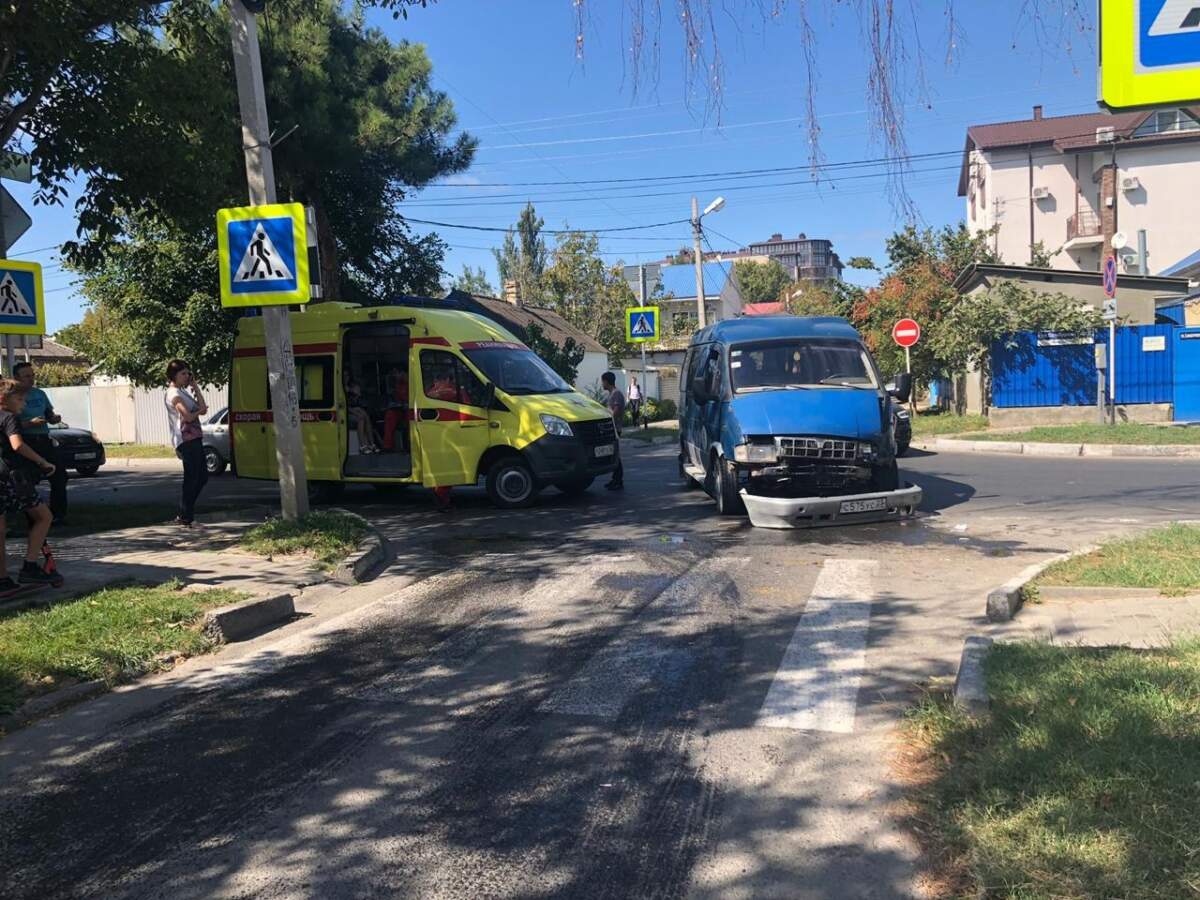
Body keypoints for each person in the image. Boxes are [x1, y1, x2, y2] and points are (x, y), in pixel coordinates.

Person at [0, 378, 63, 592]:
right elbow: (17, 445)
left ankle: (3, 580)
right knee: (44, 516)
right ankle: (29, 566)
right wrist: (42, 462)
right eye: (19, 399)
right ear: (4, 399)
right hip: (14, 478)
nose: (23, 404)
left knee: (1, 529)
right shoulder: (9, 417)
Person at [13, 362, 68, 525]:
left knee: (59, 476)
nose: (31, 379)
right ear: (17, 378)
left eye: (33, 375)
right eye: (27, 376)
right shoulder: (13, 397)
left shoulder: (40, 394)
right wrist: (30, 423)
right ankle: (33, 516)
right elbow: (10, 424)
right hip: (26, 442)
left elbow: (48, 414)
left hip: (44, 439)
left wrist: (53, 418)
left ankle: (58, 514)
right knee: (28, 480)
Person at [164, 359, 209, 527]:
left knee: (202, 477)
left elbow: (202, 407)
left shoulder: (183, 392)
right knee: (192, 478)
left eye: (188, 373)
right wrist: (198, 411)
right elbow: (188, 416)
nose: (186, 376)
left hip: (195, 437)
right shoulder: (173, 394)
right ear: (173, 375)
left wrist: (195, 386)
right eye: (183, 373)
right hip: (185, 439)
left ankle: (185, 513)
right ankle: (185, 516)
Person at [601, 371, 625, 491]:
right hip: (610, 428)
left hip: (615, 428)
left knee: (615, 454)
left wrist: (608, 419)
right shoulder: (610, 394)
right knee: (612, 453)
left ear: (606, 381)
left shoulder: (617, 394)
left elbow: (616, 411)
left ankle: (618, 480)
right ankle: (615, 478)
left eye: (603, 381)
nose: (602, 384)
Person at [344, 373, 379, 454]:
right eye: (344, 375)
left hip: (352, 409)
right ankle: (362, 446)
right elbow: (342, 405)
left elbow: (355, 401)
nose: (346, 377)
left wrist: (355, 393)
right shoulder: (339, 387)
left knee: (366, 415)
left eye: (347, 375)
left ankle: (372, 444)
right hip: (344, 412)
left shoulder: (351, 386)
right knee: (360, 417)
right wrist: (353, 411)